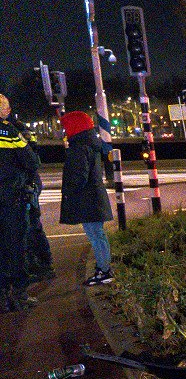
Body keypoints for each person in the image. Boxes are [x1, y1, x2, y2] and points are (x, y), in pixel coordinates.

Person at [60, 111, 114, 286]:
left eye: (66, 128)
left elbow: (78, 177)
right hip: (94, 198)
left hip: (87, 200)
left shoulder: (80, 148)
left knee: (95, 235)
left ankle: (104, 271)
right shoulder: (91, 145)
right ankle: (104, 269)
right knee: (98, 234)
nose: (65, 132)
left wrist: (68, 191)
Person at [0, 93, 40, 311]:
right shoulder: (10, 132)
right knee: (16, 246)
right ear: (5, 111)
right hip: (11, 199)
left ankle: (2, 296)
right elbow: (32, 161)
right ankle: (20, 294)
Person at [11, 117, 54, 282]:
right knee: (32, 226)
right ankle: (41, 264)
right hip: (29, 182)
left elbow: (28, 159)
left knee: (29, 227)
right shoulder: (19, 127)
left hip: (26, 184)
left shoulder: (14, 129)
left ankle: (39, 265)